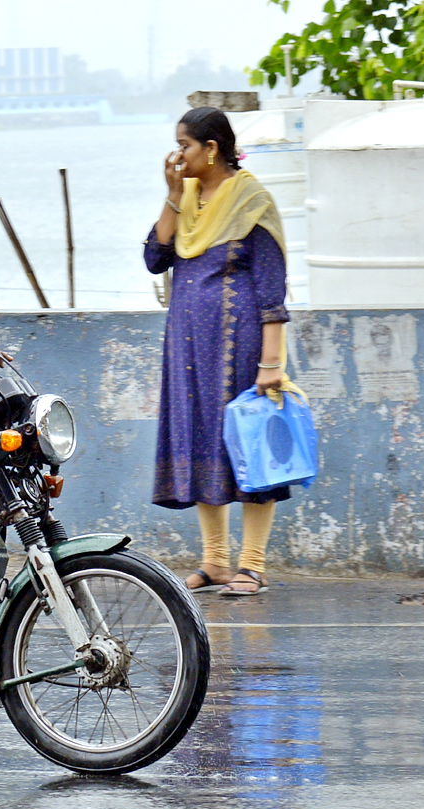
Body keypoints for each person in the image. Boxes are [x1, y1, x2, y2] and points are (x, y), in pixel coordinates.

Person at [144, 107, 291, 597]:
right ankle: (215, 561)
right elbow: (154, 258)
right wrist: (170, 196)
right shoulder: (185, 199)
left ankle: (252, 563)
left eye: (184, 145)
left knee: (250, 445)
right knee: (204, 441)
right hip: (188, 348)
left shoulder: (253, 201)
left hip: (240, 343)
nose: (177, 155)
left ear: (211, 149)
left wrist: (272, 363)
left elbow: (272, 289)